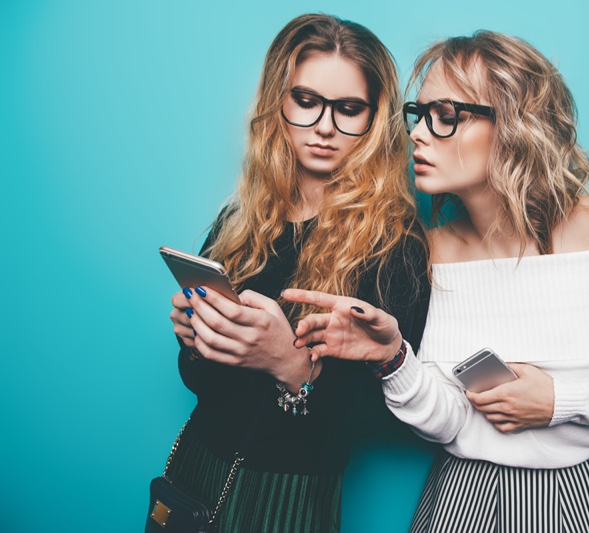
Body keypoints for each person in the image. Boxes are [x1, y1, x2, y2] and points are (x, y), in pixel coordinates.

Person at [284, 30, 589, 532]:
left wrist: (558, 402)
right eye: (420, 113)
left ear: (516, 125)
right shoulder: (432, 251)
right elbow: (448, 421)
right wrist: (393, 358)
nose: (417, 133)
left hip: (577, 494)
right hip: (456, 496)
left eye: (447, 115)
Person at [163, 14, 430, 533]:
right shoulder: (239, 222)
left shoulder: (397, 246)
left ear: (375, 119)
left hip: (289, 495)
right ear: (277, 103)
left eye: (349, 109)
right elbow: (200, 385)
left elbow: (392, 420)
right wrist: (198, 339)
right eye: (306, 101)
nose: (325, 126)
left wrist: (290, 365)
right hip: (192, 475)